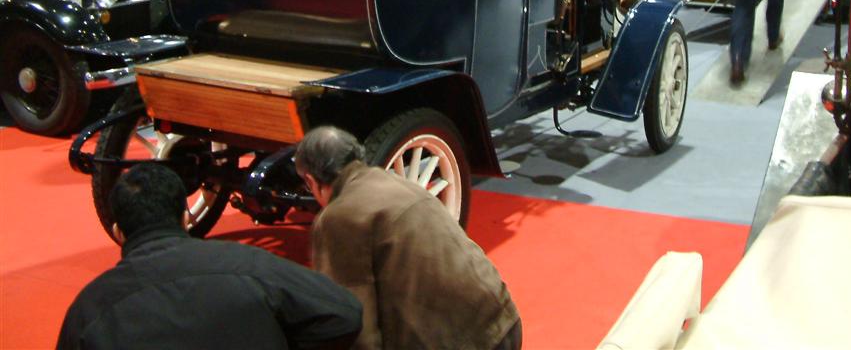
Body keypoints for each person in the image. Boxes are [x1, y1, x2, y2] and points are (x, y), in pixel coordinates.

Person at [57, 163, 362, 350]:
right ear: (185, 218)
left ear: (118, 232)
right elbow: (344, 313)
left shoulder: (90, 309)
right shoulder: (248, 265)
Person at [296, 126, 522, 350]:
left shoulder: (338, 217)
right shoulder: (397, 182)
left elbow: (353, 321)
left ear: (311, 180)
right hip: (503, 320)